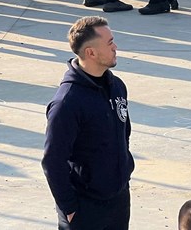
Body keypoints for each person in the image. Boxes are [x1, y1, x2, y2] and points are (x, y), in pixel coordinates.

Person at [42, 16, 133, 230]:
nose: (115, 47)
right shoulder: (67, 103)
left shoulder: (116, 86)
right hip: (84, 208)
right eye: (110, 43)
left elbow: (124, 133)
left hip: (118, 200)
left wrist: (122, 175)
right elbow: (53, 161)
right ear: (91, 53)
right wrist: (69, 207)